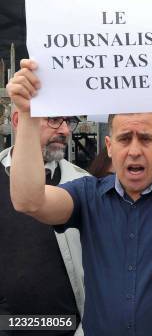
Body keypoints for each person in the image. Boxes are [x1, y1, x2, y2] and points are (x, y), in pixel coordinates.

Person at [7, 57, 152, 336]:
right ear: (110, 145)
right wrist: (28, 117)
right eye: (125, 138)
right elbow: (29, 200)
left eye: (146, 138)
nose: (135, 150)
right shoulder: (87, 194)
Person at [0, 113, 85, 336]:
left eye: (69, 122)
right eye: (54, 119)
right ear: (19, 120)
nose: (65, 130)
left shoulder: (83, 184)